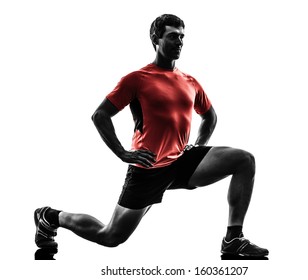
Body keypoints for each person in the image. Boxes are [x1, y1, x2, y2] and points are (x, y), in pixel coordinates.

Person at [34, 14, 268, 257]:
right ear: (156, 39)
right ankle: (50, 216)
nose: (179, 42)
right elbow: (100, 115)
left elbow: (210, 117)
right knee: (110, 236)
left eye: (182, 37)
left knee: (244, 160)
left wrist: (197, 147)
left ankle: (233, 239)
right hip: (148, 169)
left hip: (181, 162)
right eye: (172, 36)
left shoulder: (190, 81)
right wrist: (123, 153)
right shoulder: (137, 79)